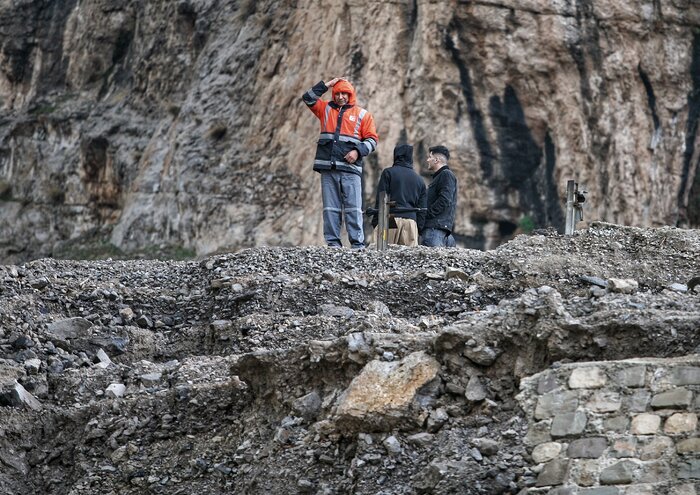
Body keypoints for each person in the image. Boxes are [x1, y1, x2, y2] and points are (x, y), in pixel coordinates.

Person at [302, 77, 379, 249]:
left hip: (350, 170)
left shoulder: (362, 115)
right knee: (330, 209)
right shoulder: (325, 109)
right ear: (334, 94)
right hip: (328, 168)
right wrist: (328, 84)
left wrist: (357, 151)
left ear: (351, 95)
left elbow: (372, 140)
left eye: (345, 93)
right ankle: (333, 244)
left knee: (353, 208)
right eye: (338, 93)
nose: (341, 97)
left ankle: (357, 245)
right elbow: (308, 97)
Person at [372, 144, 426, 246]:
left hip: (390, 218)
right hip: (411, 221)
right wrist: (418, 228)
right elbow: (422, 209)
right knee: (410, 260)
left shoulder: (388, 173)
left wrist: (376, 222)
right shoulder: (419, 180)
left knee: (383, 256)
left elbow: (382, 199)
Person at [422, 145, 458, 247]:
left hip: (435, 230)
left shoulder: (446, 174)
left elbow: (445, 199)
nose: (428, 160)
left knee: (430, 261)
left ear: (436, 160)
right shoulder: (441, 176)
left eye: (430, 157)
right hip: (439, 230)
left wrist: (427, 214)